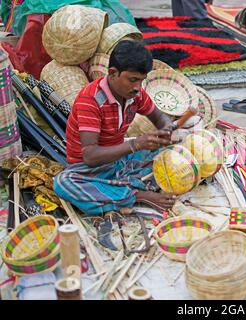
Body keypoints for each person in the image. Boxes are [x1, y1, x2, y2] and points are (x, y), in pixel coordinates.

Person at [54, 40, 177, 216]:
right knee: (63, 182)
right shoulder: (90, 100)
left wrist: (167, 129)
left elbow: (159, 117)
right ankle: (138, 194)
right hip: (89, 171)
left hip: (120, 161)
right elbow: (90, 156)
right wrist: (135, 144)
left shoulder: (135, 94)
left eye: (141, 81)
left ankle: (116, 193)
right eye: (133, 80)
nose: (137, 88)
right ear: (113, 73)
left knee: (171, 152)